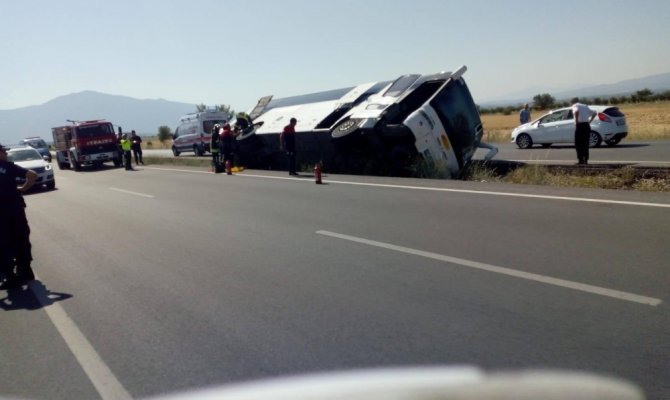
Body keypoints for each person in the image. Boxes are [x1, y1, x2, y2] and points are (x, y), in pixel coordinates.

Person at [0, 143, 37, 290]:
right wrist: (23, 188)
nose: (6, 154)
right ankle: (25, 271)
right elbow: (32, 175)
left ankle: (10, 276)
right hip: (15, 209)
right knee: (21, 239)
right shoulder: (9, 167)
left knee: (4, 243)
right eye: (3, 151)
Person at [571, 97, 596, 165]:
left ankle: (580, 160)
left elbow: (576, 111)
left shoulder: (575, 105)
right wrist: (589, 121)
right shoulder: (585, 106)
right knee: (585, 144)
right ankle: (586, 160)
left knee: (578, 144)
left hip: (580, 126)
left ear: (573, 102)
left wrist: (576, 122)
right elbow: (594, 113)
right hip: (586, 125)